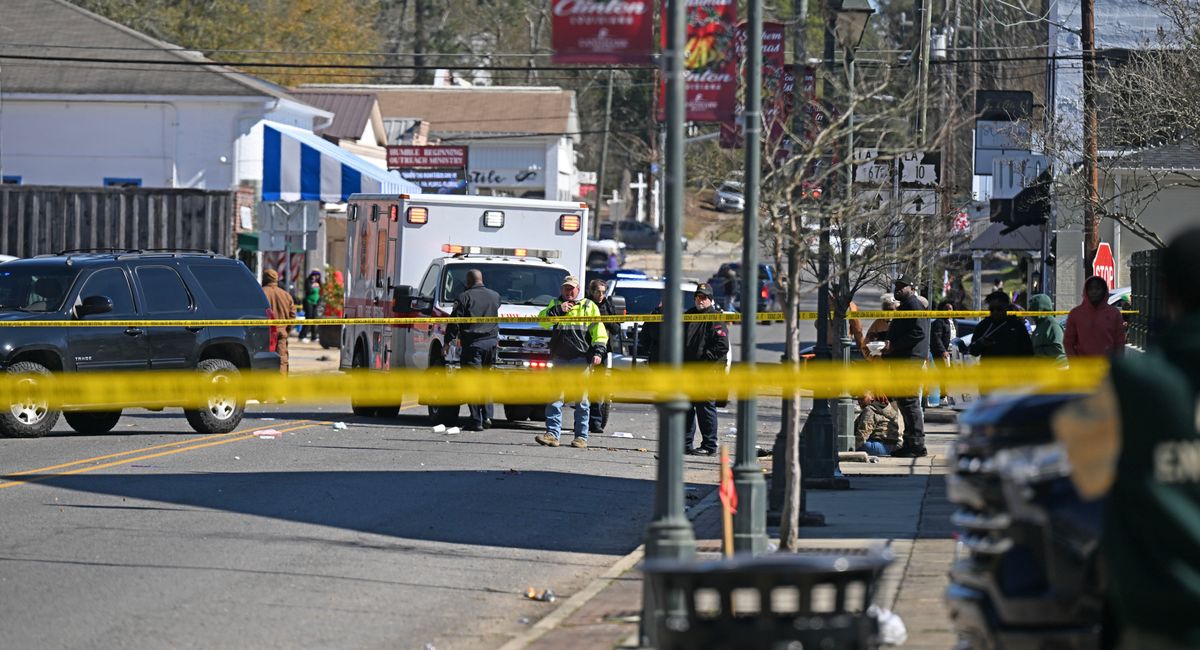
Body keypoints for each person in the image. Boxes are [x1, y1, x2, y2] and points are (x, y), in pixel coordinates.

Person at [1051, 227, 1200, 650]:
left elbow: (1081, 474)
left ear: (1166, 291)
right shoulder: (1092, 329)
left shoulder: (1130, 385)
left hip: (1159, 615)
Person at [534, 276, 608, 449]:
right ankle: (552, 435)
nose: (569, 292)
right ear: (562, 289)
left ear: (578, 290)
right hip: (559, 358)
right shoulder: (555, 304)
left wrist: (598, 352)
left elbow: (599, 332)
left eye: (572, 289)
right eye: (566, 288)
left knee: (581, 400)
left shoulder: (588, 306)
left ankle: (581, 437)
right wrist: (558, 310)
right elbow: (542, 321)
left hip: (580, 358)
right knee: (555, 398)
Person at [445, 269, 501, 432]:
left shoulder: (464, 297)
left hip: (473, 345)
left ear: (469, 281)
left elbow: (455, 321)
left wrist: (447, 342)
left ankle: (476, 420)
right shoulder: (495, 296)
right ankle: (487, 416)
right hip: (491, 345)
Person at [884, 276, 930, 458]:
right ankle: (910, 442)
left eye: (902, 286)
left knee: (910, 402)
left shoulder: (913, 305)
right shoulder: (906, 305)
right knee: (904, 402)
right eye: (896, 286)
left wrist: (894, 345)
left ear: (911, 288)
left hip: (909, 362)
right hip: (903, 361)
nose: (898, 289)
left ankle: (916, 445)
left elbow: (918, 332)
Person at [683, 283, 729, 456]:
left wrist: (704, 360)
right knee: (686, 407)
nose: (699, 300)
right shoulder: (689, 315)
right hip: (688, 371)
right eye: (697, 297)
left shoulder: (715, 317)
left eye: (703, 297)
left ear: (710, 299)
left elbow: (722, 345)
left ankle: (709, 446)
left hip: (707, 372)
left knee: (705, 408)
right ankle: (685, 444)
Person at [587, 279, 623, 434]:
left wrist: (606, 321)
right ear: (592, 292)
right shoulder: (586, 305)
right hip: (585, 349)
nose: (600, 295)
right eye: (598, 292)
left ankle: (595, 422)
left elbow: (616, 328)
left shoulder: (608, 305)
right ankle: (581, 421)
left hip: (602, 351)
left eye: (603, 292)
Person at [1064, 276, 1126, 358]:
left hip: (1108, 364)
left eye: (1098, 289)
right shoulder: (1075, 313)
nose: (1094, 292)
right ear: (1086, 291)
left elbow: (1119, 342)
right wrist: (1074, 362)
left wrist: (1118, 363)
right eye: (1091, 289)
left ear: (1104, 291)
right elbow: (1068, 342)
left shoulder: (1114, 313)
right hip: (1083, 364)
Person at [968, 291, 1034, 359]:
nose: (995, 312)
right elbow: (972, 351)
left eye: (999, 308)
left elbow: (1029, 353)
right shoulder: (984, 325)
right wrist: (980, 343)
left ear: (1007, 307)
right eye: (991, 309)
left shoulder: (1017, 326)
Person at [262, 268, 293, 375]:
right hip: (281, 331)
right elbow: (292, 316)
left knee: (264, 358)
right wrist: (286, 331)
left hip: (264, 332)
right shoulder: (286, 295)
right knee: (282, 359)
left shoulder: (260, 293)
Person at [928, 300, 956, 407]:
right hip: (942, 354)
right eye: (946, 308)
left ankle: (949, 397)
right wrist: (943, 351)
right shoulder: (939, 322)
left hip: (953, 353)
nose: (948, 311)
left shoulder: (954, 322)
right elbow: (936, 338)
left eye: (950, 309)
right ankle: (943, 397)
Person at [1029, 293, 1067, 365]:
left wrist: (1037, 351)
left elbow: (1058, 348)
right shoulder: (1040, 325)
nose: (1029, 312)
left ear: (1041, 309)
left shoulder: (1052, 324)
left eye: (1033, 309)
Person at [300, 269, 322, 342]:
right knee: (308, 318)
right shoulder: (308, 281)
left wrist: (319, 300)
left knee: (314, 319)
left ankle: (314, 336)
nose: (317, 276)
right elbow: (308, 290)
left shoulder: (318, 282)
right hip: (308, 302)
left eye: (318, 275)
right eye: (315, 275)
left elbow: (321, 292)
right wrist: (312, 284)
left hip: (315, 303)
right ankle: (302, 336)